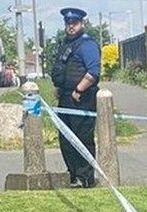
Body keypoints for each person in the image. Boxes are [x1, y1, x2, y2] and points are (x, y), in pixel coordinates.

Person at [51, 7, 101, 188]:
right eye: (68, 23)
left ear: (82, 23)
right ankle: (73, 174)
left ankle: (85, 177)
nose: (71, 26)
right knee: (65, 138)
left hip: (82, 98)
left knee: (82, 138)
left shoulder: (87, 44)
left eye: (74, 23)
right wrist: (60, 88)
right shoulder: (66, 43)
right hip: (65, 97)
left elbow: (93, 72)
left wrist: (78, 90)